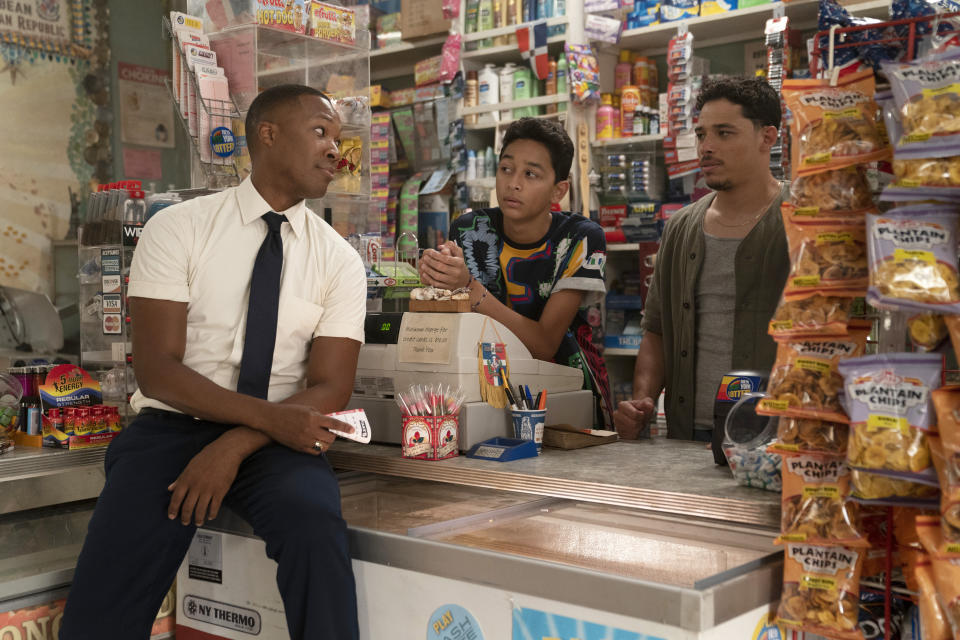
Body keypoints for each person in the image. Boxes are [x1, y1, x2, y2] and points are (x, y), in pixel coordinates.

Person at [60, 84, 367, 639]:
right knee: (101, 609)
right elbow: (158, 370)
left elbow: (330, 387)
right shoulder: (179, 228)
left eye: (338, 139)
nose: (335, 152)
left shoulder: (339, 261)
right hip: (173, 429)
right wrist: (256, 426)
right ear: (267, 136)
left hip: (275, 442)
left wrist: (235, 443)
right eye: (321, 133)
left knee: (314, 527)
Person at [613, 77, 790, 441]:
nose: (706, 147)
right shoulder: (680, 228)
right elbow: (657, 331)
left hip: (774, 437)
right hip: (686, 434)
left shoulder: (799, 221)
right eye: (701, 134)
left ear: (767, 137)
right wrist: (642, 402)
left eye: (724, 133)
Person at [419, 118, 612, 425]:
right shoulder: (469, 229)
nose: (513, 183)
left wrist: (470, 289)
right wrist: (435, 278)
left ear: (558, 190)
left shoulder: (580, 238)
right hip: (482, 390)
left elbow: (545, 343)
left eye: (531, 174)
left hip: (563, 395)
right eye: (506, 169)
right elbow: (452, 324)